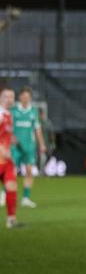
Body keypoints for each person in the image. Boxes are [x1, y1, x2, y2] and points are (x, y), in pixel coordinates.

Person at [11, 87, 47, 208]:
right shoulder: (13, 110)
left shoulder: (33, 111)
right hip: (14, 146)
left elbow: (37, 129)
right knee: (10, 172)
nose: (26, 99)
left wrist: (41, 144)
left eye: (28, 97)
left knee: (29, 171)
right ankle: (5, 194)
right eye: (24, 96)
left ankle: (25, 198)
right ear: (19, 97)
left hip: (29, 146)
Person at [0, 87, 21, 228]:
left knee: (12, 186)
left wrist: (12, 139)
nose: (9, 99)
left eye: (12, 97)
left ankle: (11, 219)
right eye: (6, 96)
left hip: (6, 160)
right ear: (1, 98)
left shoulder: (9, 115)